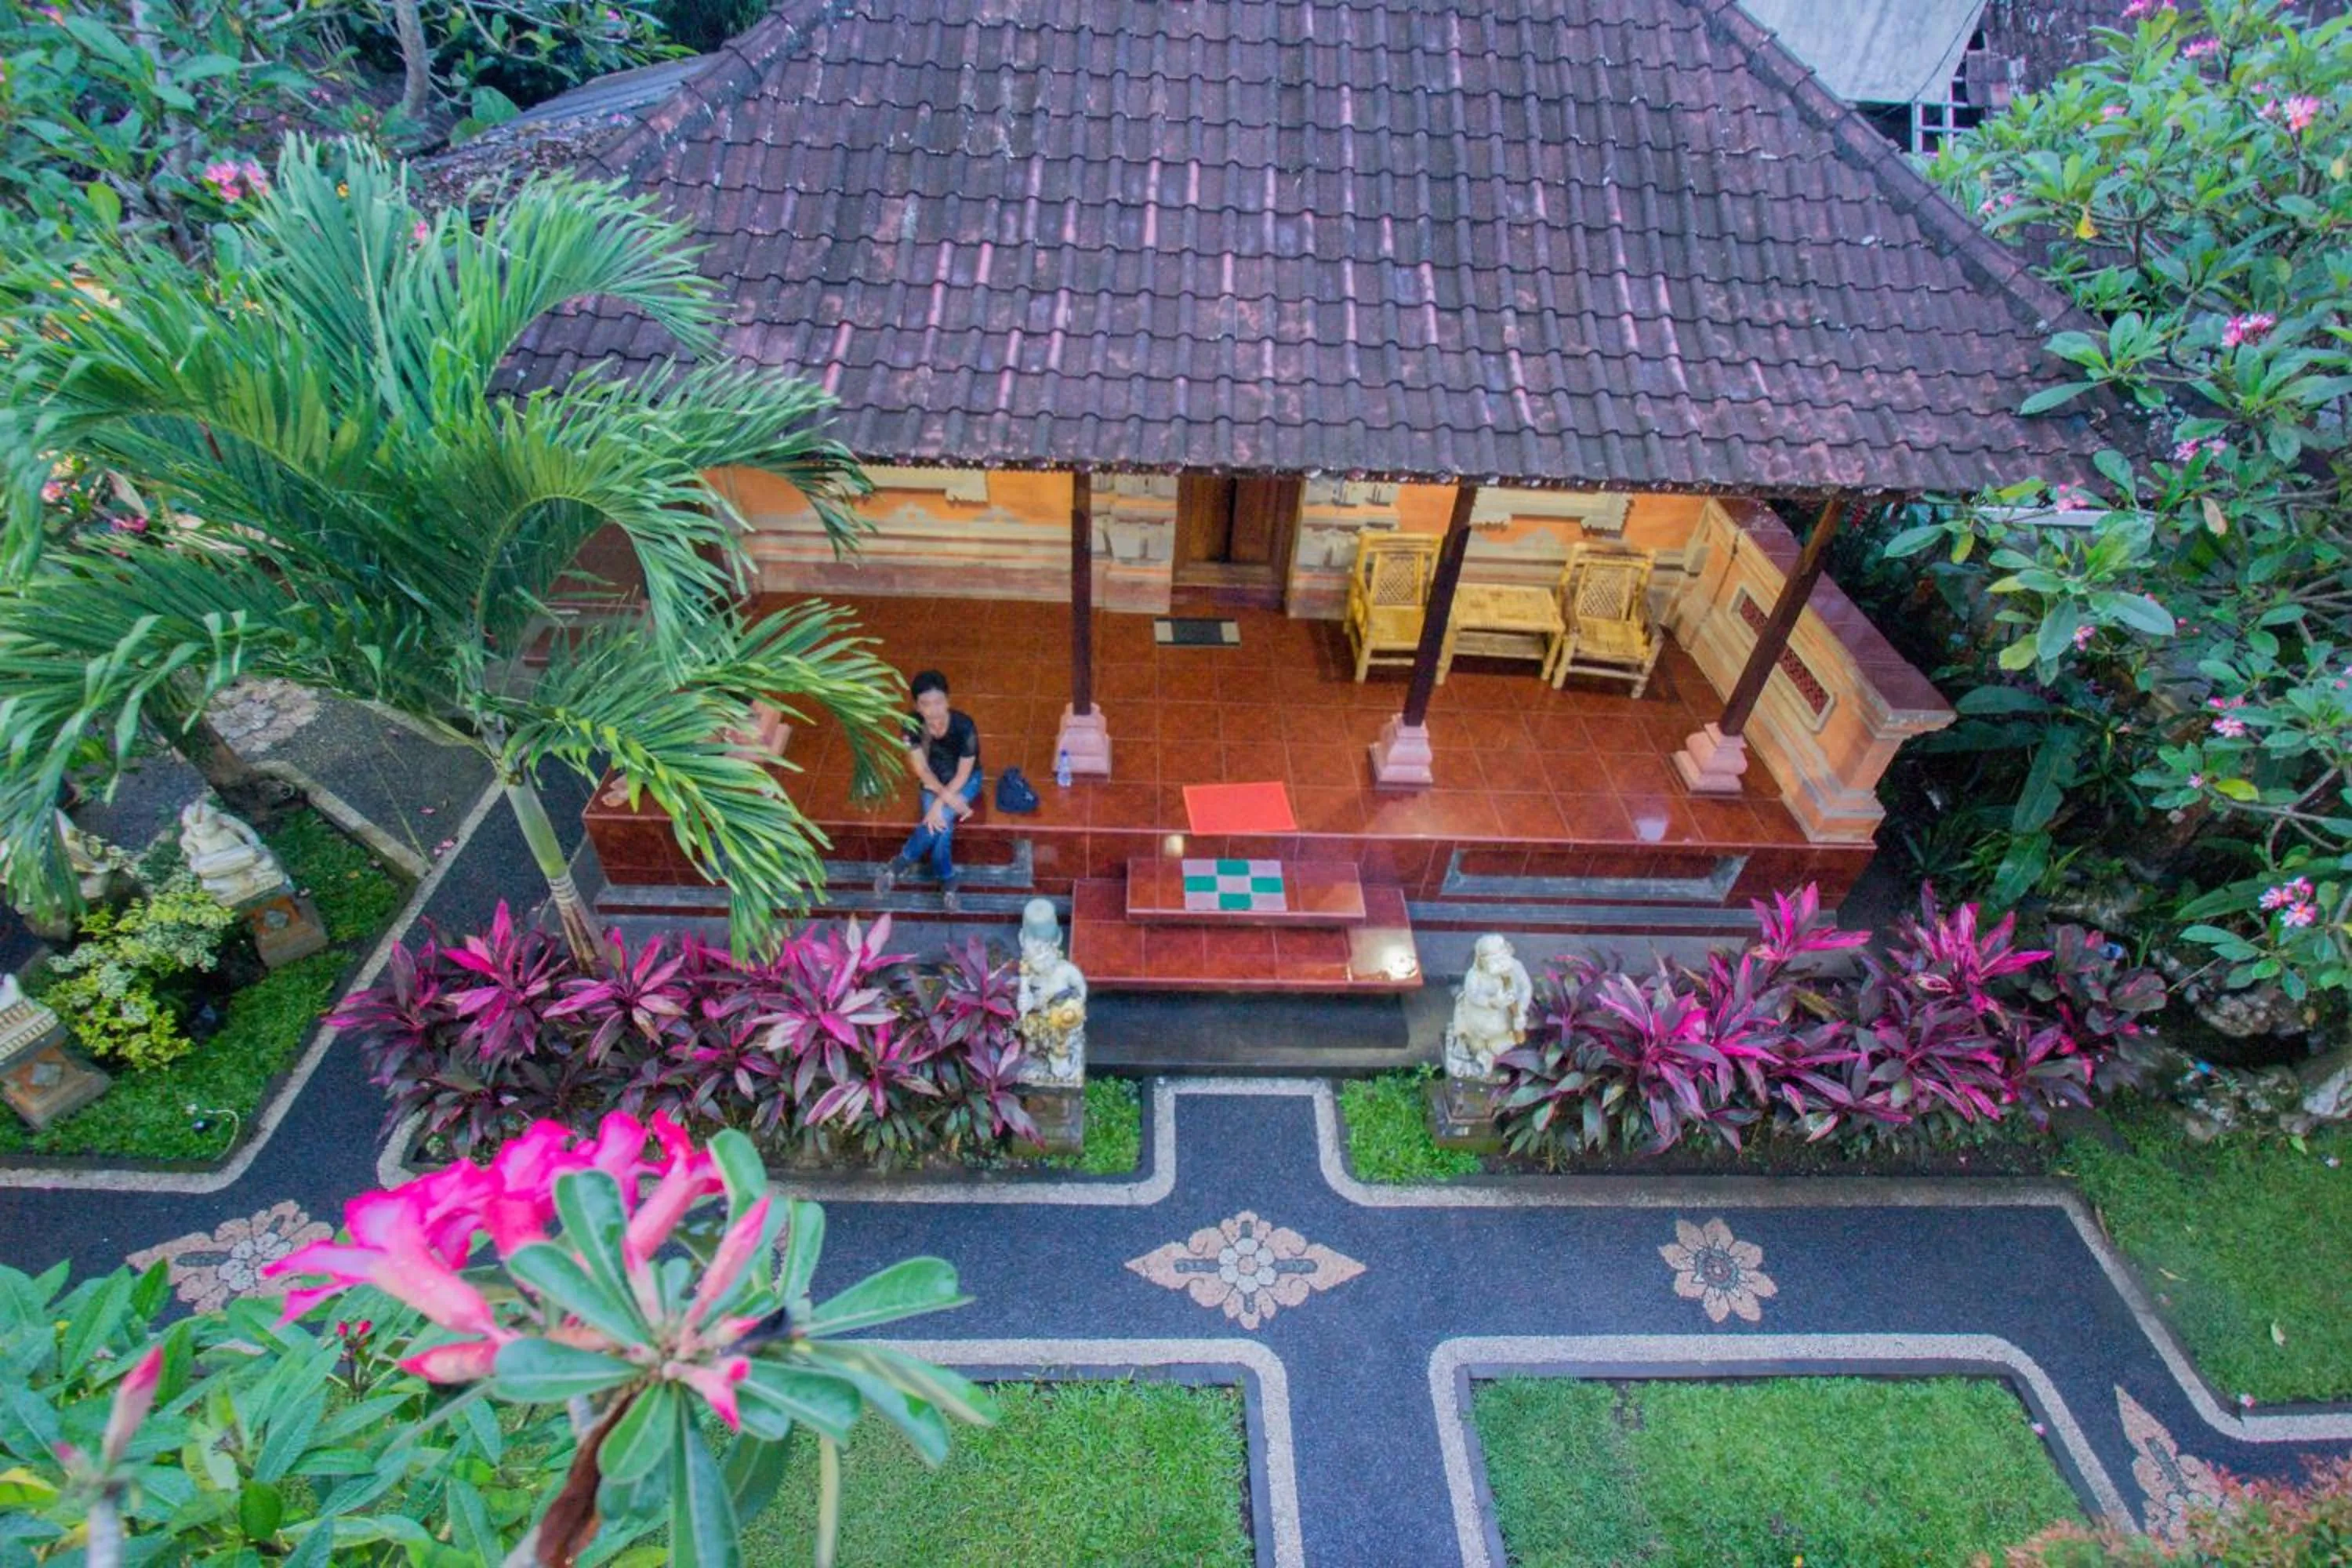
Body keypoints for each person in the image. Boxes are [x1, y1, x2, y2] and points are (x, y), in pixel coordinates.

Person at [873, 670, 982, 913]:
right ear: (917, 706)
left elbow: (965, 774)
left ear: (948, 701)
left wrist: (937, 805)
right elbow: (921, 770)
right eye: (926, 704)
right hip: (932, 781)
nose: (933, 710)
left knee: (939, 819)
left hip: (964, 781)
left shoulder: (965, 727)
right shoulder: (911, 726)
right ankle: (948, 881)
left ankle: (900, 864)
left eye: (939, 702)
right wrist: (945, 801)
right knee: (941, 827)